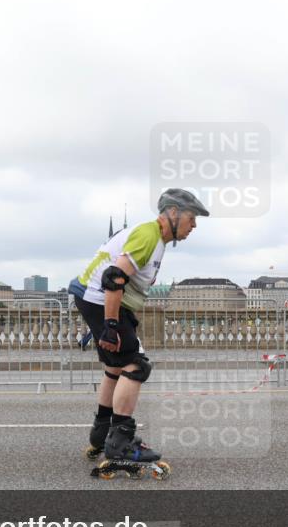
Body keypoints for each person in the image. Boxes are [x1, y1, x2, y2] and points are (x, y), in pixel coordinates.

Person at [68, 189, 209, 465]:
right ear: (172, 213)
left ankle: (102, 431)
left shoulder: (155, 238)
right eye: (191, 218)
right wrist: (110, 325)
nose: (194, 226)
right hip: (101, 299)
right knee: (136, 366)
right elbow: (113, 277)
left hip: (95, 298)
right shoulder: (149, 236)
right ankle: (119, 440)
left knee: (115, 367)